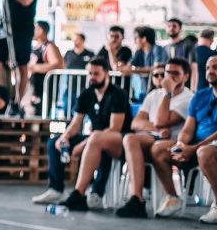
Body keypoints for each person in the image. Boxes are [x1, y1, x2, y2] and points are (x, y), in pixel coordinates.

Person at [33, 58, 131, 206]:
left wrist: (86, 143)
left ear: (106, 74)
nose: (92, 77)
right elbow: (76, 123)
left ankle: (97, 192)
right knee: (54, 143)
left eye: (96, 74)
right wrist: (65, 137)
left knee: (102, 146)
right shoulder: (87, 94)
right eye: (90, 73)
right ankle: (56, 189)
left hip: (117, 140)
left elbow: (114, 129)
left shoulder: (118, 94)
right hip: (93, 137)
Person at [114, 59, 193, 218]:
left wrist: (168, 93)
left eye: (175, 73)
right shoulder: (154, 94)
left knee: (156, 146)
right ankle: (137, 198)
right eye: (168, 72)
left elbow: (161, 120)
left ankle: (172, 196)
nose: (169, 77)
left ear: (186, 76)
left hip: (174, 144)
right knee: (130, 138)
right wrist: (156, 128)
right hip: (152, 138)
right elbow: (136, 122)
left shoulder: (188, 98)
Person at [149, 54, 217, 221]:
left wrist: (193, 148)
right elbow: (188, 128)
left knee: (204, 152)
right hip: (197, 146)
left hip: (209, 148)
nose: (210, 71)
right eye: (208, 68)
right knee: (159, 149)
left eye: (215, 68)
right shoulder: (200, 96)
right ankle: (173, 197)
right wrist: (181, 145)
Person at [122, 25, 168, 100]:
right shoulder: (139, 52)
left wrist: (135, 70)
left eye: (136, 38)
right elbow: (127, 68)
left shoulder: (157, 49)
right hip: (145, 89)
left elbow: (157, 68)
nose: (135, 41)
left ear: (144, 39)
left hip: (159, 89)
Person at [27, 21, 64, 114]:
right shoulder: (34, 47)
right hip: (32, 91)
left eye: (34, 28)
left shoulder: (49, 46)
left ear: (40, 30)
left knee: (39, 116)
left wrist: (34, 68)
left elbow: (58, 65)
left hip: (44, 92)